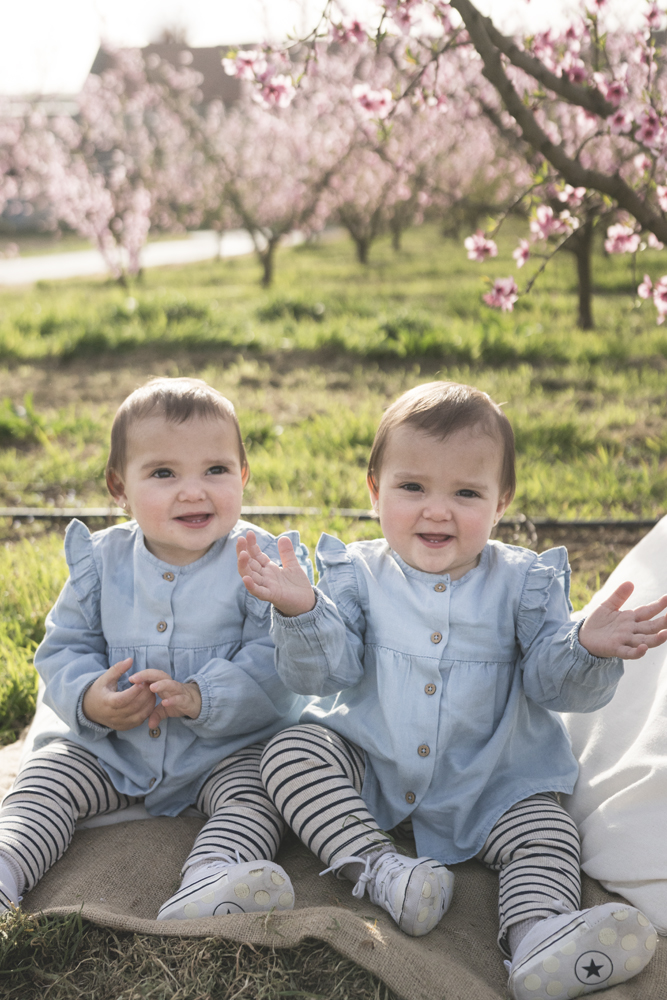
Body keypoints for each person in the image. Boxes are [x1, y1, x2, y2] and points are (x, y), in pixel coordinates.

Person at [237, 381, 667, 1000]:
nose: (437, 510)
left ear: (501, 502)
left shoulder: (525, 583)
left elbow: (550, 682)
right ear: (374, 490)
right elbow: (321, 676)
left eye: (466, 493)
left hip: (490, 781)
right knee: (289, 756)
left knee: (549, 831)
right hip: (374, 768)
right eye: (412, 488)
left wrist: (586, 647)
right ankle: (381, 871)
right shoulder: (354, 574)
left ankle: (538, 939)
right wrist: (303, 612)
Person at [0, 377, 311, 922]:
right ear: (120, 487)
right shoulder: (100, 562)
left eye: (215, 470)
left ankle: (213, 876)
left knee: (257, 795)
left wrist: (201, 697)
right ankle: (8, 867)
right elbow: (64, 648)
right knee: (48, 780)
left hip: (218, 752)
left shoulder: (257, 563)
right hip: (111, 749)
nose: (193, 491)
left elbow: (274, 665)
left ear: (243, 476)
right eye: (164, 473)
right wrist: (91, 700)